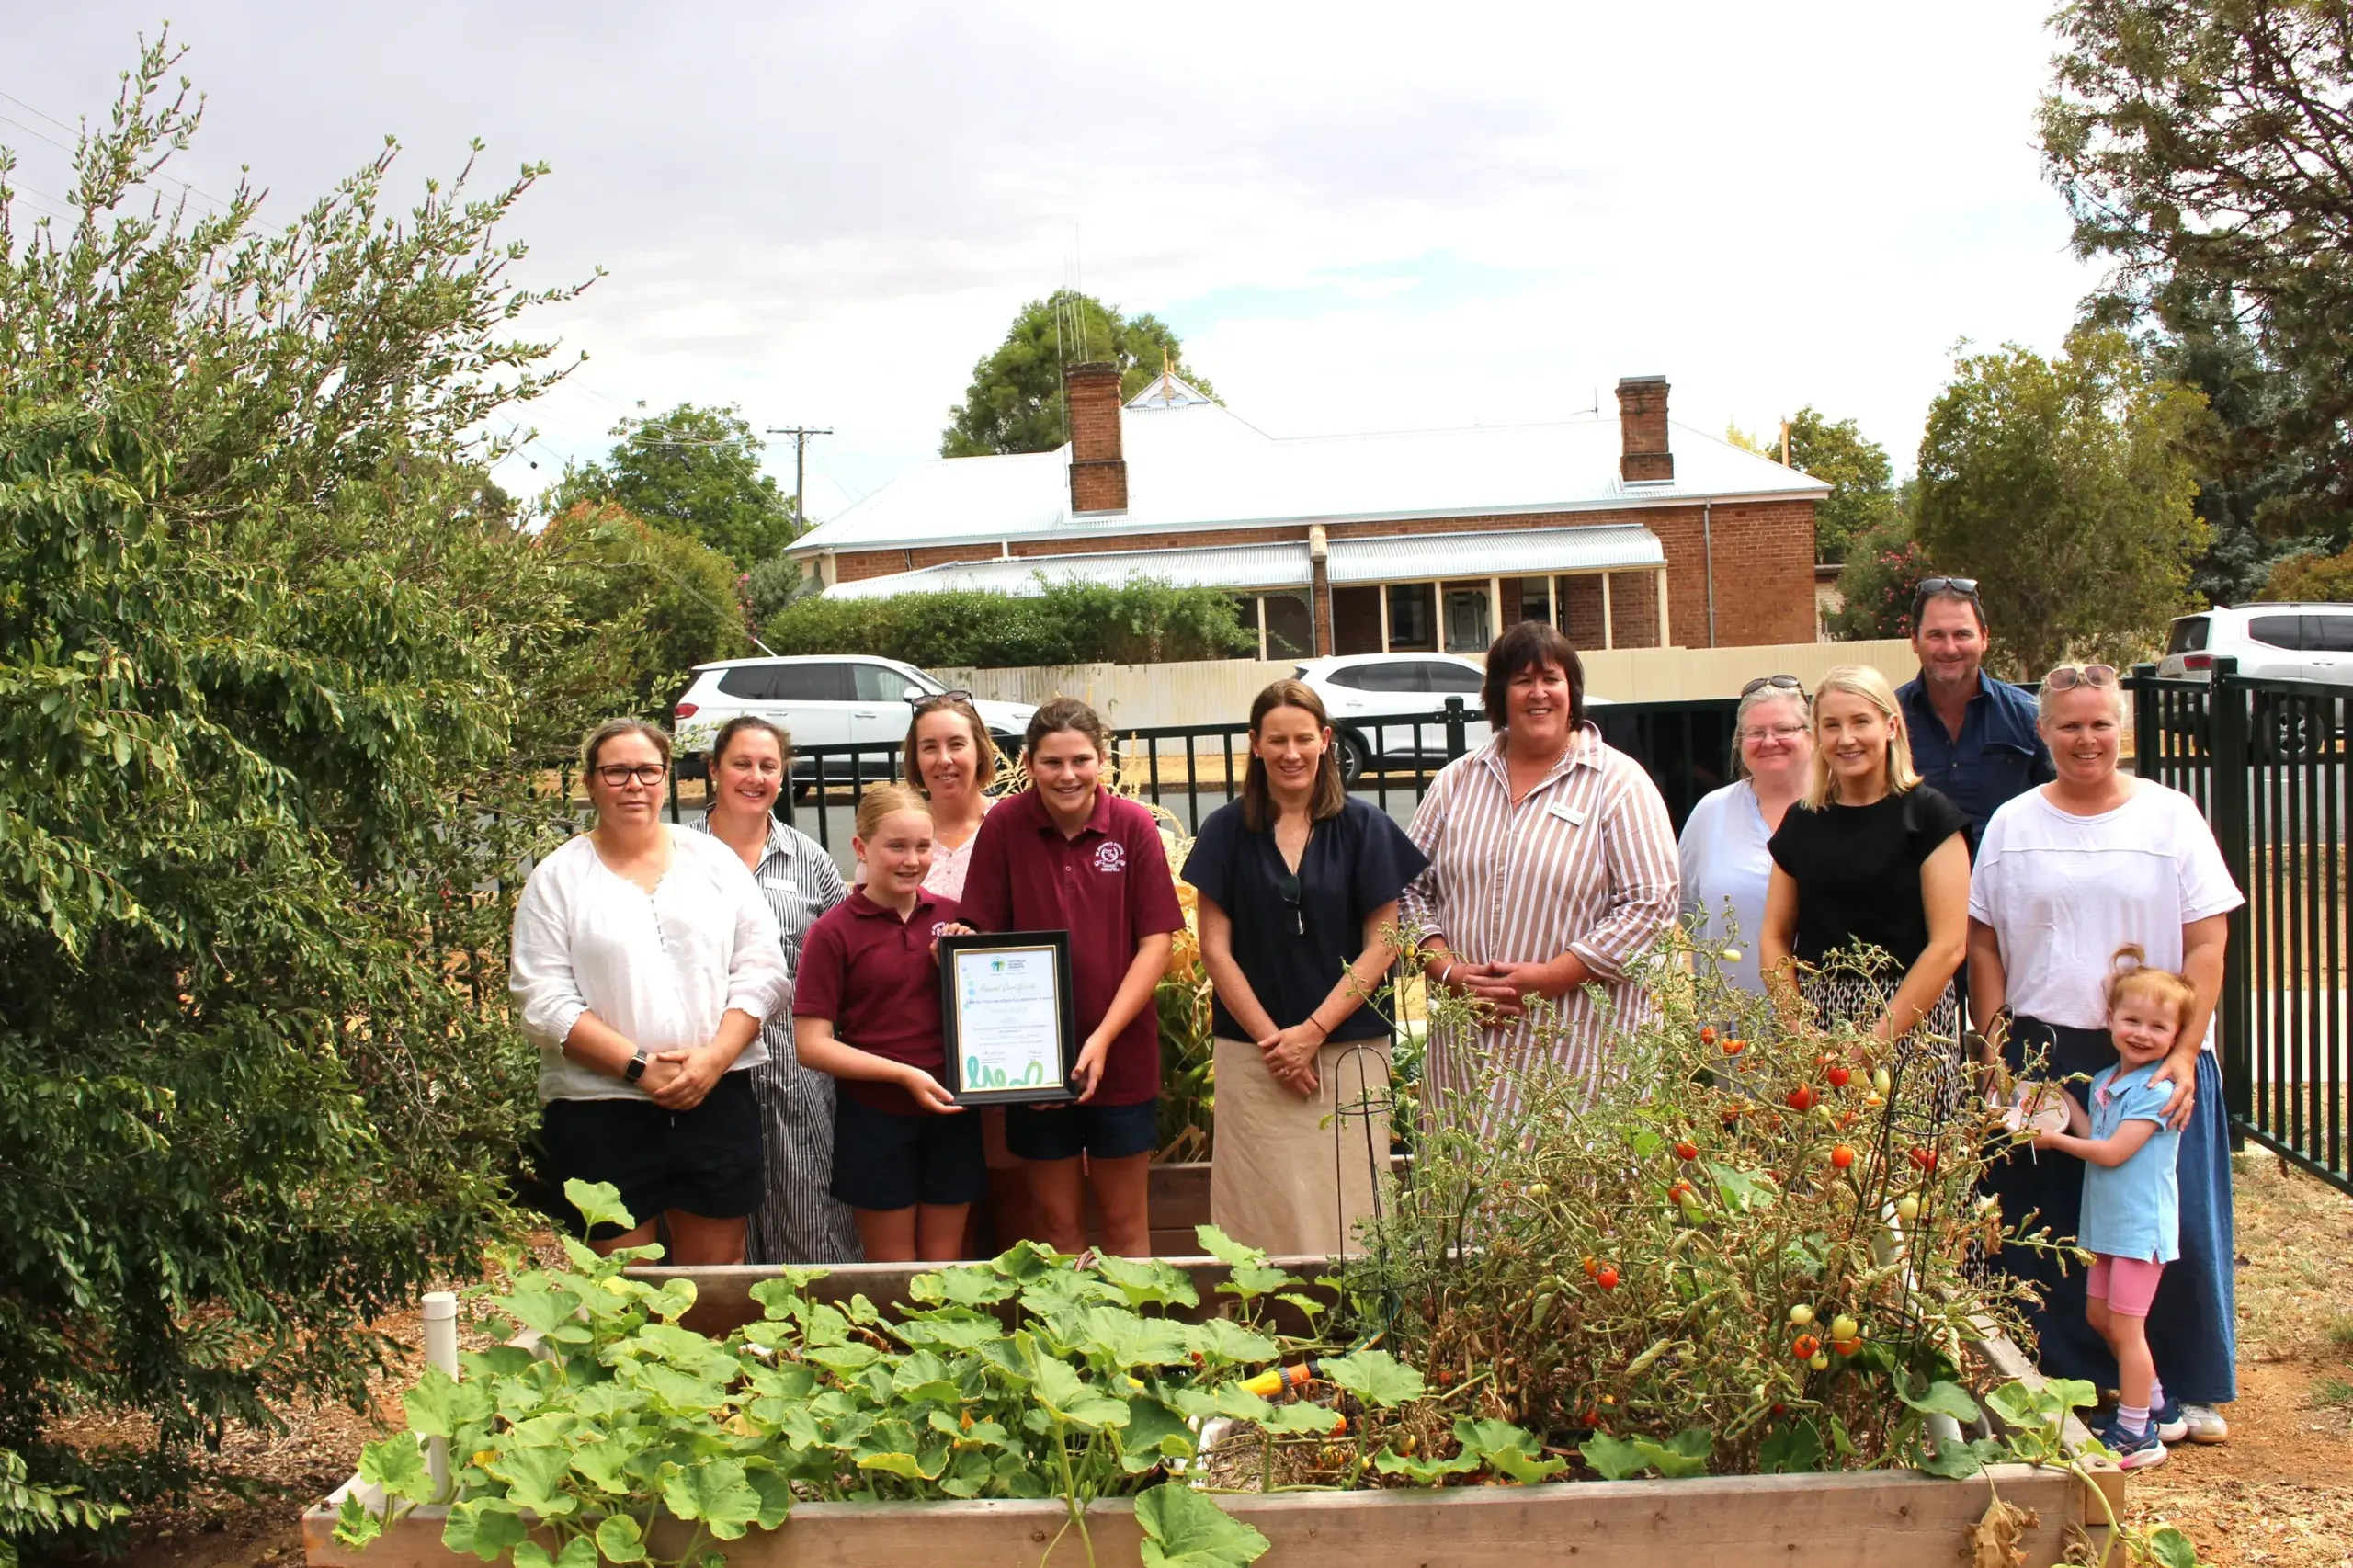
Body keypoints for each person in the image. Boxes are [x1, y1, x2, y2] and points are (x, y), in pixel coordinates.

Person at [1969, 662, 2241, 1445]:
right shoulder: (2014, 824)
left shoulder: (2172, 817)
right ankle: (2071, 1381)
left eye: (2100, 724)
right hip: (2045, 1045)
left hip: (2153, 1052)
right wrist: (1996, 1050)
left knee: (2162, 1221)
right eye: (2068, 725)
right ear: (2042, 731)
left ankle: (2184, 1385)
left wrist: (2185, 1054)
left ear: (2121, 727)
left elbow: (2208, 941)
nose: (2085, 739)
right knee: (2052, 1221)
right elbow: (1984, 942)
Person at [510, 720, 789, 1262]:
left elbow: (762, 970)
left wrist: (712, 1060)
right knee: (619, 1291)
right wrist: (639, 1067)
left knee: (715, 1285)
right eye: (616, 771)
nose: (633, 784)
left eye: (647, 770)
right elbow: (543, 1000)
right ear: (591, 782)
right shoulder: (558, 878)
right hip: (601, 1112)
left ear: (666, 780)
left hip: (714, 1096)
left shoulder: (714, 862)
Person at [1399, 621, 1679, 1128]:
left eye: (1551, 678)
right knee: (1466, 1192)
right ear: (1498, 696)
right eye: (1521, 680)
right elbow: (1408, 889)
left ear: (1572, 692)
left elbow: (1650, 905)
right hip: (1468, 1048)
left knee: (1564, 1198)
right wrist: (1448, 972)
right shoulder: (1456, 782)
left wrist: (1552, 977)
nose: (1538, 693)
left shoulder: (1618, 784)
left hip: (1579, 1049)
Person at [1183, 679, 1429, 1256]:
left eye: (1302, 738)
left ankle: (1355, 1333)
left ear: (1324, 741)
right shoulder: (1225, 830)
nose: (1290, 753)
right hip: (1253, 1055)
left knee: (1349, 1203)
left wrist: (1312, 1033)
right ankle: (1258, 1336)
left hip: (1348, 1052)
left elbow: (1385, 944)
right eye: (1276, 740)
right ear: (1255, 745)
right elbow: (1215, 949)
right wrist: (1277, 1043)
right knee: (1256, 1205)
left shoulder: (1365, 828)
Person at [960, 699, 1186, 1256]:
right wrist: (961, 943)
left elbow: (1156, 942)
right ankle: (1070, 1342)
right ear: (1029, 763)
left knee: (1125, 1223)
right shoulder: (1005, 827)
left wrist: (1102, 1039)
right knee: (1056, 1226)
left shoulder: (1132, 827)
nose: (1067, 775)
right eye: (1052, 762)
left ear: (1102, 761)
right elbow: (981, 930)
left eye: (1080, 760)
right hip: (1033, 1062)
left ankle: (1135, 1342)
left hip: (1123, 1054)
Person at [692, 716, 861, 1265]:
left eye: (768, 766)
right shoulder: (676, 856)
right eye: (741, 763)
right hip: (705, 1064)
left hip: (795, 1065)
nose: (755, 777)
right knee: (713, 1219)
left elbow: (849, 950)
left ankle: (816, 1339)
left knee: (810, 1209)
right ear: (714, 770)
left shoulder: (808, 860)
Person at [793, 784, 982, 1264]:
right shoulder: (833, 932)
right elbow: (812, 1045)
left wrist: (958, 968)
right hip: (875, 1116)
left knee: (945, 1262)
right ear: (861, 848)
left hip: (952, 1110)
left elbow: (989, 1013)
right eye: (895, 846)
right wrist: (901, 1074)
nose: (911, 860)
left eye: (922, 846)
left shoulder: (955, 920)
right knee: (892, 1267)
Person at [2026, 948, 2198, 1471]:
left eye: (2158, 1027)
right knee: (2100, 1316)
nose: (2142, 1033)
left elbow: (2112, 1151)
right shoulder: (2105, 1083)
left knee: (2127, 1329)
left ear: (2177, 1037)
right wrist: (2056, 1098)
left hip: (2140, 1229)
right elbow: (2091, 1130)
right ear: (2111, 1021)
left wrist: (2052, 1141)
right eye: (2132, 1020)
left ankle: (2136, 1434)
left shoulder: (2158, 1091)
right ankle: (2156, 1406)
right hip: (2106, 1226)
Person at [1761, 664, 1970, 1044]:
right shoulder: (1802, 822)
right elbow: (1774, 936)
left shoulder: (1931, 818)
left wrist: (1876, 1041)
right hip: (1816, 1022)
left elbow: (1949, 945)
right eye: (1832, 725)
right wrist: (1799, 1029)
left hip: (1910, 1024)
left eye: (1861, 722)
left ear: (1890, 727)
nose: (1846, 738)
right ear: (1818, 734)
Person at [1677, 675, 1814, 994]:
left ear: (1812, 736)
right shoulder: (1711, 813)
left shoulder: (1841, 807)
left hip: (1830, 1024)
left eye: (1783, 729)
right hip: (1733, 1024)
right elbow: (1685, 913)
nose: (1769, 741)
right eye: (1755, 733)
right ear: (1739, 743)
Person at [1896, 578, 2054, 848]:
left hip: (2007, 885)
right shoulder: (1888, 720)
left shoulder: (2029, 718)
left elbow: (2063, 805)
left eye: (1962, 634)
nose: (1949, 648)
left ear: (1984, 638)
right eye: (1936, 635)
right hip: (1914, 887)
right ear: (1914, 640)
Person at [861, 691, 997, 899]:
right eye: (930, 747)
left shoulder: (1009, 827)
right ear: (916, 758)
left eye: (956, 745)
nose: (944, 759)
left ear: (980, 751)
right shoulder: (894, 830)